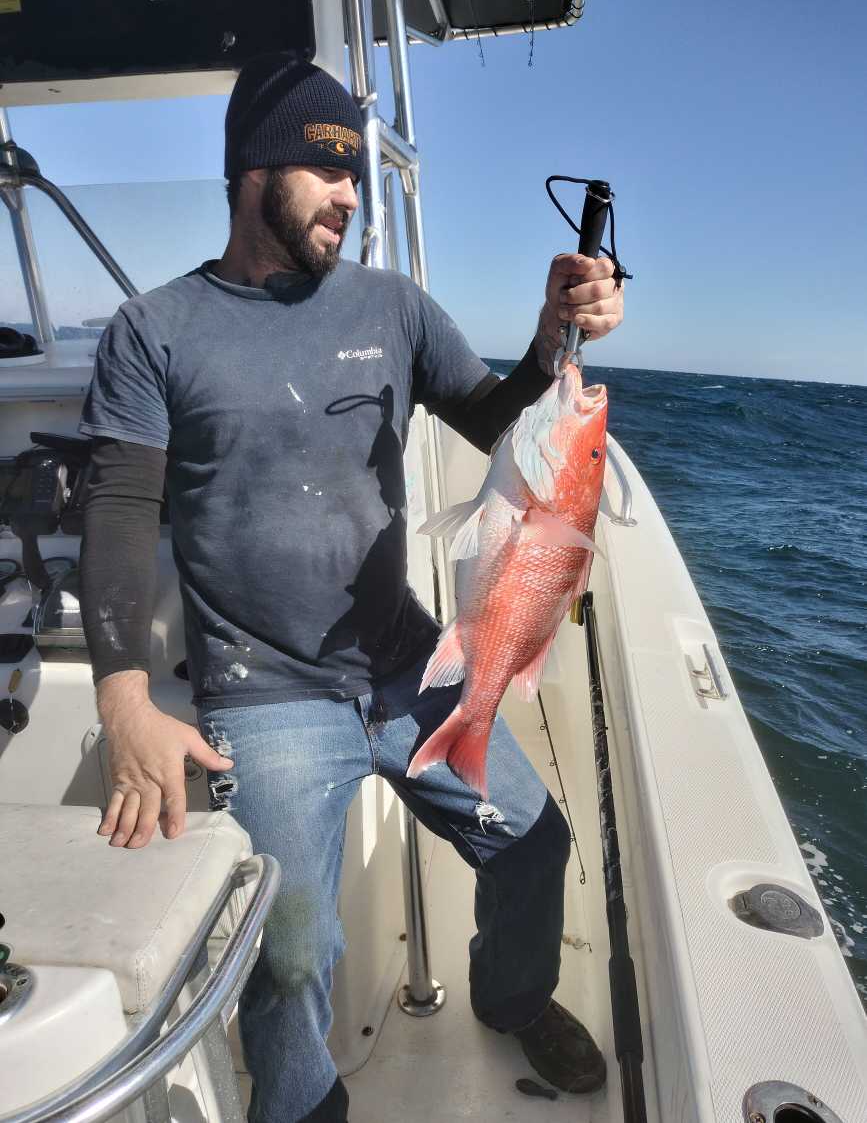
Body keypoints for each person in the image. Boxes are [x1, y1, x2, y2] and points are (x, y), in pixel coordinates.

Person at [80, 55, 624, 1123]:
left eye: (357, 179)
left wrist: (554, 331)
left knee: (536, 842)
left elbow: (492, 416)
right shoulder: (154, 331)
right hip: (264, 689)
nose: (348, 197)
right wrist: (123, 697)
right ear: (253, 172)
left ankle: (512, 997)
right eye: (327, 173)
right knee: (291, 953)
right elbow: (115, 514)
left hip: (408, 659)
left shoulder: (392, 305)